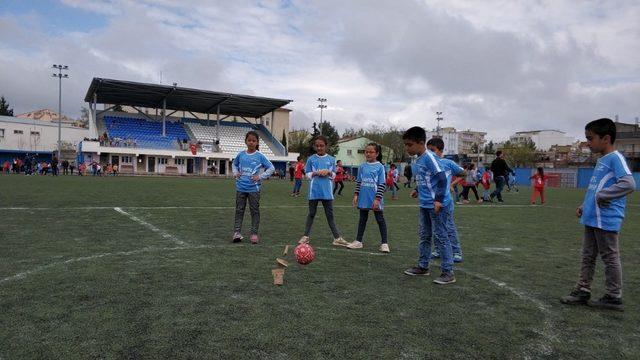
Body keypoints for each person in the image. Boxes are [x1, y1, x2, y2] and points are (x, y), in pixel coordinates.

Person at [561, 118, 635, 311]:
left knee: (609, 256)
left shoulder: (616, 158)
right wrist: (585, 205)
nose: (587, 143)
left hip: (607, 217)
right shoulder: (602, 160)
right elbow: (596, 188)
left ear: (606, 138)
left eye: (590, 138)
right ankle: (583, 289)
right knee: (588, 255)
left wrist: (604, 195)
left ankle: (613, 296)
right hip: (593, 215)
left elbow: (628, 183)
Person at [402, 127, 455, 285]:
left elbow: (442, 179)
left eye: (409, 144)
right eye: (405, 144)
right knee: (424, 236)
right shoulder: (417, 159)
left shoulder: (429, 157)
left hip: (437, 205)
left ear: (420, 143)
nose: (407, 148)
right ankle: (423, 266)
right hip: (425, 204)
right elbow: (426, 179)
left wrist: (438, 200)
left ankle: (448, 272)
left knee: (440, 237)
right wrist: (417, 190)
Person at [298, 135, 349, 247]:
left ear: (326, 146)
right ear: (314, 146)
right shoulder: (311, 159)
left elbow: (334, 174)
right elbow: (307, 174)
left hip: (327, 192)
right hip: (314, 191)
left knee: (329, 215)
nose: (319, 148)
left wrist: (329, 173)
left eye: (322, 146)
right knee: (311, 214)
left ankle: (337, 238)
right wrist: (316, 173)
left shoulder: (331, 159)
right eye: (317, 146)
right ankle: (305, 236)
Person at [232, 131, 275, 244]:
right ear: (246, 141)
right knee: (239, 210)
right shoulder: (241, 155)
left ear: (257, 142)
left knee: (254, 211)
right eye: (249, 140)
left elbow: (271, 168)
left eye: (253, 140)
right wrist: (235, 172)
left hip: (253, 189)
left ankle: (254, 234)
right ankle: (237, 233)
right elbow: (234, 164)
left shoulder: (260, 156)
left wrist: (260, 177)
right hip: (240, 187)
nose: (251, 142)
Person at [427, 137, 466, 263]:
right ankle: (438, 250)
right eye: (428, 151)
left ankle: (456, 252)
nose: (430, 153)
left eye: (432, 150)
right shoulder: (428, 164)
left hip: (445, 202)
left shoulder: (447, 163)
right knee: (435, 227)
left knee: (448, 227)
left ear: (440, 151)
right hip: (432, 202)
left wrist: (452, 184)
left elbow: (463, 173)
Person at [347, 143, 390, 252]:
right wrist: (356, 194)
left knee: (380, 219)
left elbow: (382, 184)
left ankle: (384, 243)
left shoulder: (380, 167)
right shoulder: (362, 166)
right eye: (367, 151)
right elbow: (359, 182)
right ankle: (358, 241)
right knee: (362, 219)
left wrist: (377, 199)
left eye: (371, 152)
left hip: (375, 198)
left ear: (377, 153)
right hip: (363, 197)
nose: (368, 154)